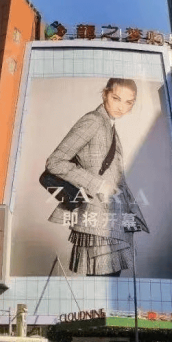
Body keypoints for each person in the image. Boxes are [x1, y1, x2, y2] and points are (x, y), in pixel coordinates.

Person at [45, 78, 149, 276]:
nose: (121, 107)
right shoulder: (93, 120)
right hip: (97, 221)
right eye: (116, 98)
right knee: (103, 284)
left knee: (108, 283)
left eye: (128, 102)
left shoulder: (109, 126)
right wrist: (99, 185)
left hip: (111, 220)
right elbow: (55, 162)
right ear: (104, 94)